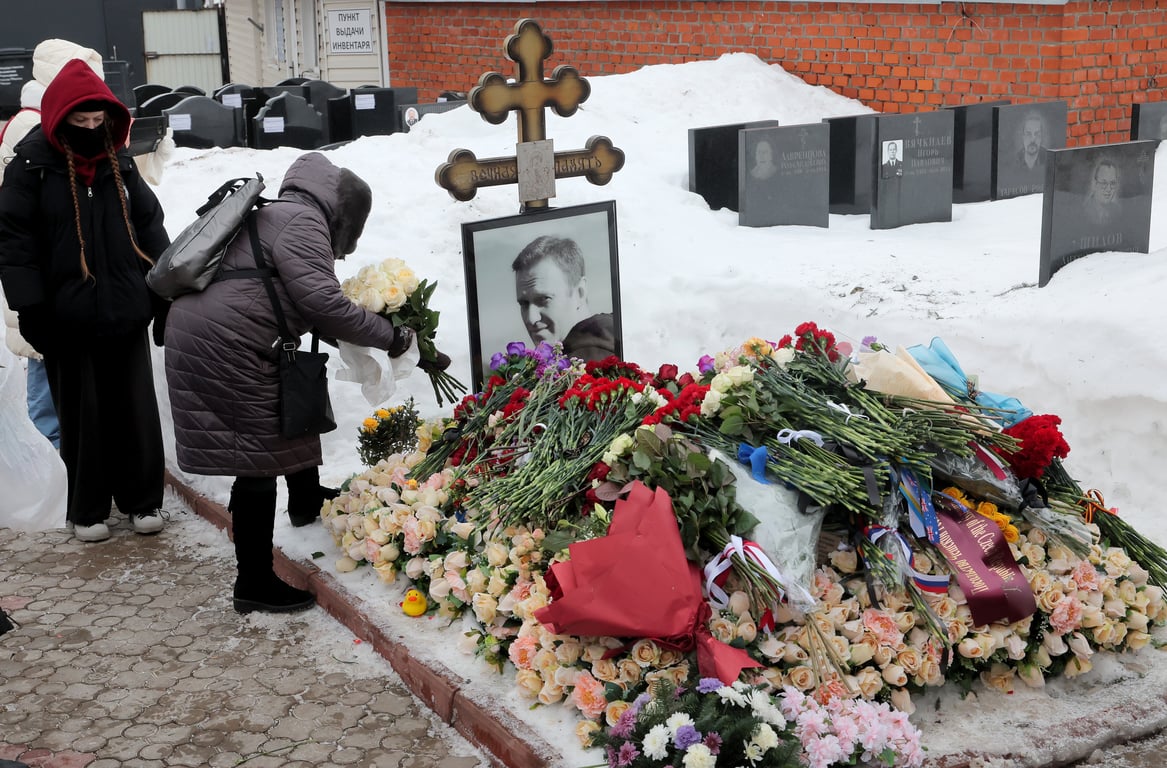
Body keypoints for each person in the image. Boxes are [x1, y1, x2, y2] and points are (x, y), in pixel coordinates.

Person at [163, 151, 413, 615]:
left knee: (288, 404)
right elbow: (324, 305)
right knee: (254, 458)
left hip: (213, 333)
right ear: (344, 216)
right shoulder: (303, 222)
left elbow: (299, 299)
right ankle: (254, 582)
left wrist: (364, 333)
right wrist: (392, 336)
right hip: (227, 344)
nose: (346, 248)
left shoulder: (281, 213)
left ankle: (305, 500)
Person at [0, 58, 171, 543]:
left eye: (99, 120)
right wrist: (31, 308)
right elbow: (14, 244)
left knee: (135, 412)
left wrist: (163, 292)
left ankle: (142, 500)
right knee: (82, 417)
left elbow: (151, 228)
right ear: (60, 118)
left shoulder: (122, 163)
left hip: (125, 310)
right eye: (81, 121)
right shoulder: (32, 167)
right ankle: (87, 508)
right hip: (66, 318)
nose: (92, 129)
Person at [512, 235, 615, 360]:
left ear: (580, 293)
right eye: (524, 304)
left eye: (544, 299)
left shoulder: (584, 366)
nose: (531, 318)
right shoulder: (618, 338)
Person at [1082, 157, 1121, 227]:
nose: (1108, 189)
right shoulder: (1084, 210)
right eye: (1104, 183)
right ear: (1094, 184)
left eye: (1112, 183)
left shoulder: (1117, 211)